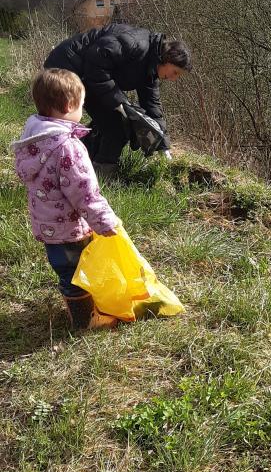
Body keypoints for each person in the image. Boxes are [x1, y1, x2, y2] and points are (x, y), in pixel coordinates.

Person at [11, 68, 120, 330]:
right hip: (70, 228)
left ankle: (80, 311)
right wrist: (105, 222)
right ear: (70, 105)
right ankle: (85, 320)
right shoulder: (67, 146)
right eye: (82, 104)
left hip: (47, 225)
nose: (82, 109)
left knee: (65, 269)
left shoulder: (34, 138)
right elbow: (84, 192)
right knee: (74, 274)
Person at [44, 22, 192, 175]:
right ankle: (95, 173)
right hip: (66, 69)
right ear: (167, 59)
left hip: (89, 75)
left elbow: (152, 106)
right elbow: (96, 60)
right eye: (175, 72)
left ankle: (81, 166)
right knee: (115, 125)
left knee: (118, 122)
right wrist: (119, 102)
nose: (174, 78)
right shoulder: (135, 43)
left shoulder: (151, 70)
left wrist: (163, 146)